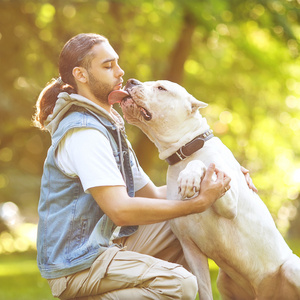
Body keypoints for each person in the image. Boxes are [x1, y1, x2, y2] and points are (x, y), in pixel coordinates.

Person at [33, 33, 254, 300]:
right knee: (181, 283)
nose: (120, 71)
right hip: (75, 265)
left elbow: (154, 196)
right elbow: (121, 211)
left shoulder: (107, 125)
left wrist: (219, 180)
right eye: (107, 66)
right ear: (80, 75)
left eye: (117, 63)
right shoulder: (84, 133)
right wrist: (196, 203)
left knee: (185, 225)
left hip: (101, 248)